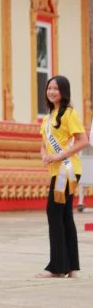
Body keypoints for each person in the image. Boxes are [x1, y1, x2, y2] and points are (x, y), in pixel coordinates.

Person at [37, 75, 88, 279]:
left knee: (54, 213)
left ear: (64, 92)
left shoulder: (69, 114)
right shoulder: (48, 117)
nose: (51, 92)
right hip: (56, 171)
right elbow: (43, 143)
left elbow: (83, 140)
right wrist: (44, 155)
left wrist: (59, 155)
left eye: (56, 89)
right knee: (65, 216)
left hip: (66, 170)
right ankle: (72, 266)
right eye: (49, 88)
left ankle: (57, 266)